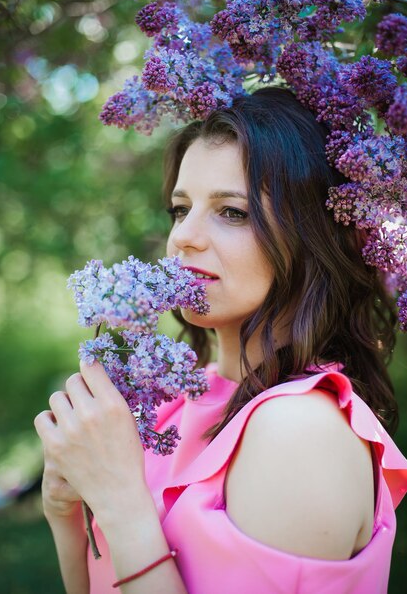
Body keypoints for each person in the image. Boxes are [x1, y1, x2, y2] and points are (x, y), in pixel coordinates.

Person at [34, 87, 407, 594]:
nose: (183, 235)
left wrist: (120, 500)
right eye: (180, 208)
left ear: (312, 236)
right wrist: (64, 511)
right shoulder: (175, 403)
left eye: (232, 211)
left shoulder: (299, 430)